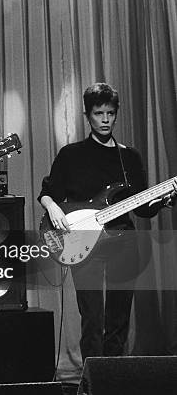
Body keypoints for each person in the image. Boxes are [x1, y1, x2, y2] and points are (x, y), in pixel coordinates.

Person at [38, 83, 177, 363]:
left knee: (119, 318)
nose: (105, 119)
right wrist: (52, 207)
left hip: (123, 241)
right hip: (82, 241)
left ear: (116, 114)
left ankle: (113, 380)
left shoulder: (129, 157)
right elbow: (47, 193)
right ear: (87, 115)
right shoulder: (71, 154)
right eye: (98, 113)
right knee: (92, 317)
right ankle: (92, 381)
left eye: (110, 113)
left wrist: (163, 200)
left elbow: (143, 209)